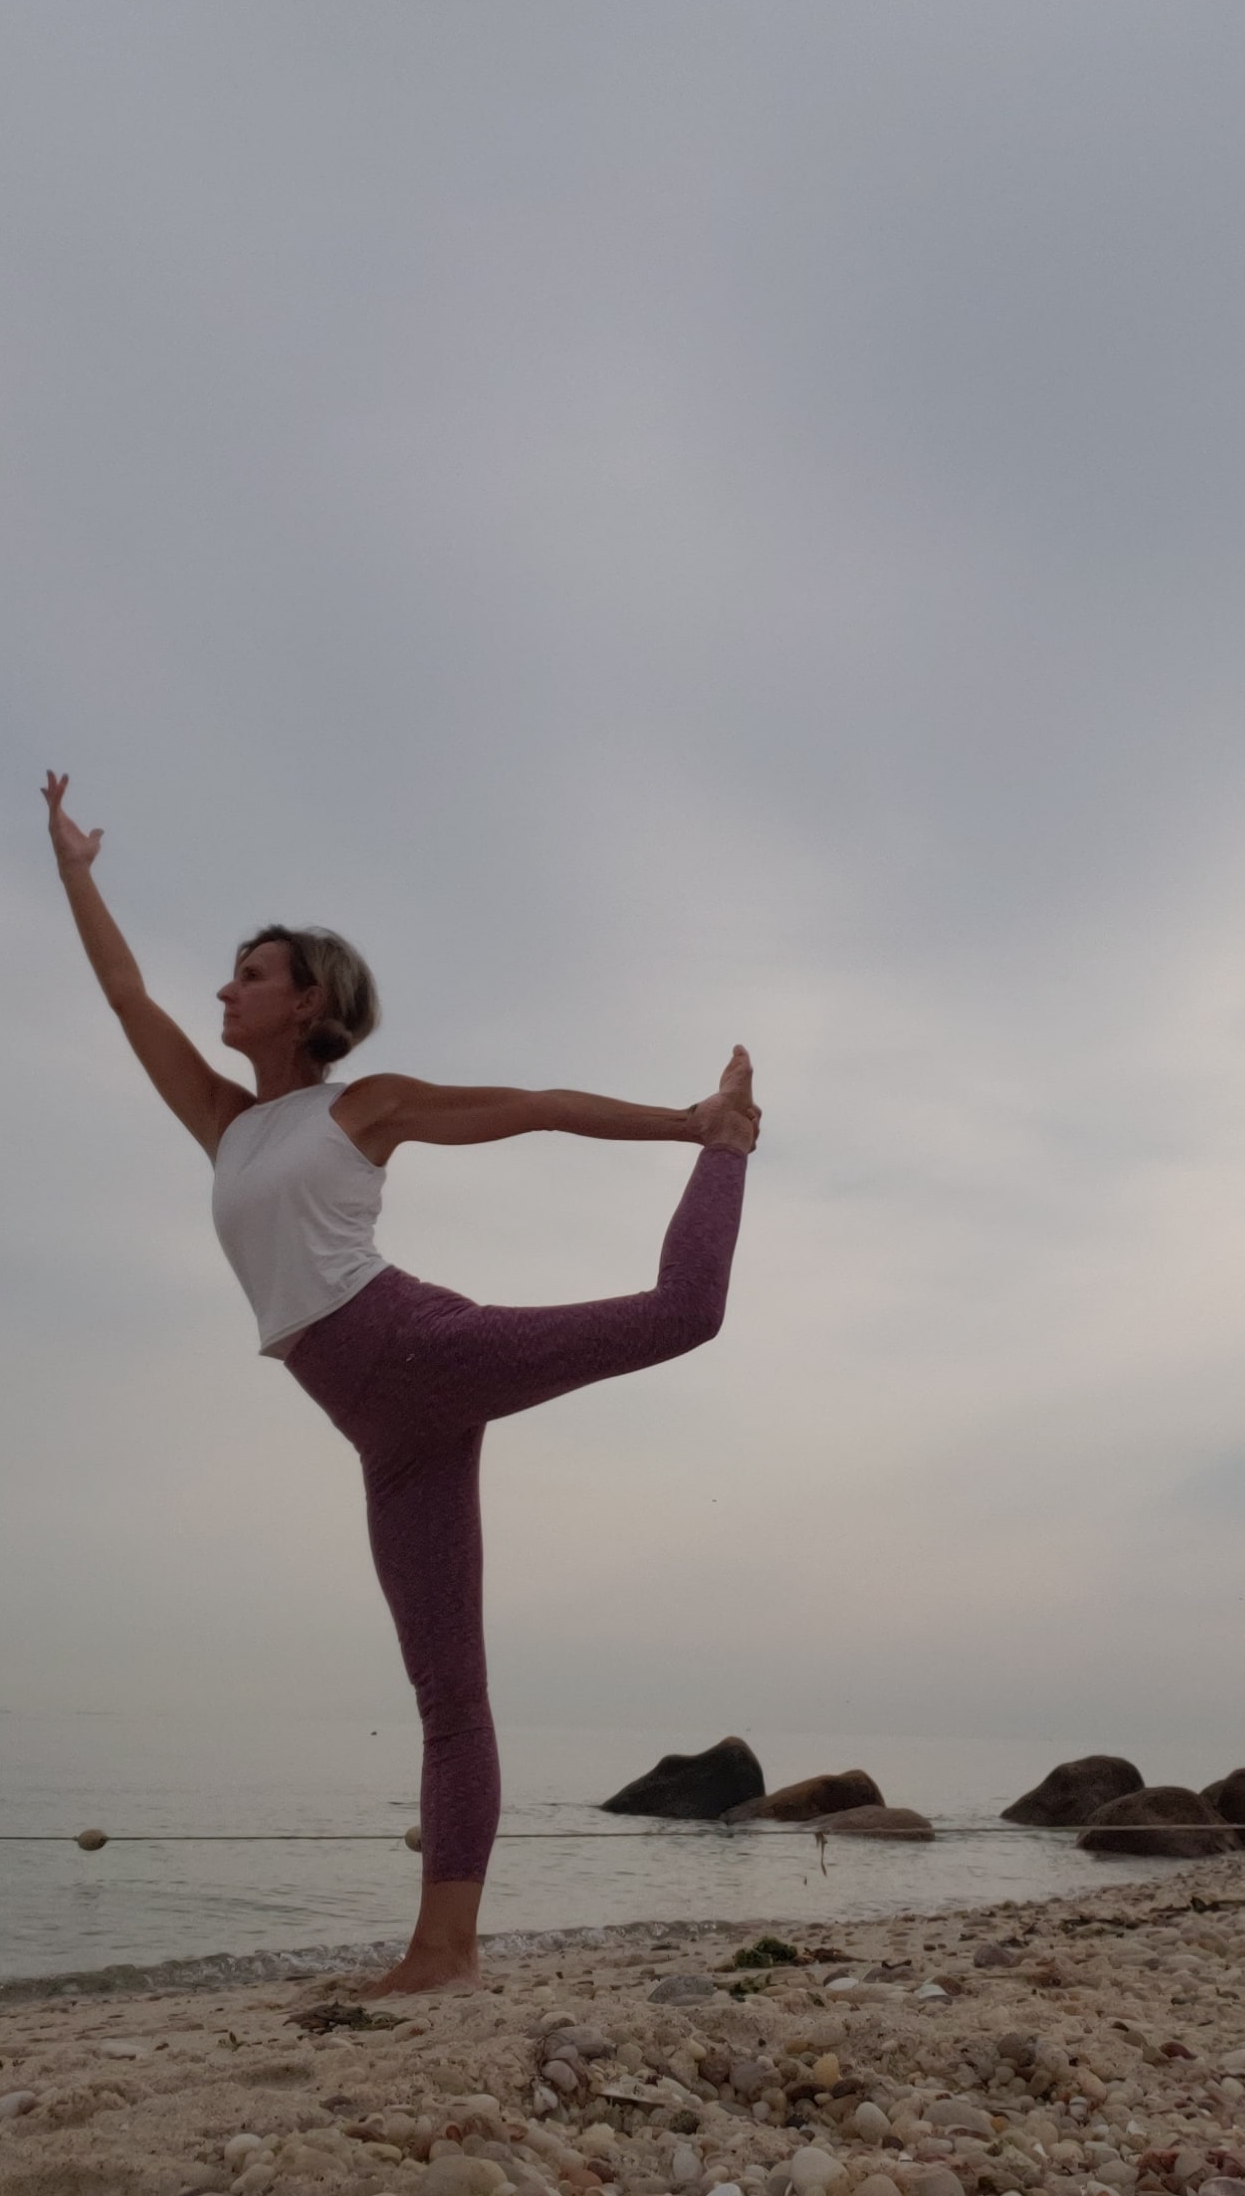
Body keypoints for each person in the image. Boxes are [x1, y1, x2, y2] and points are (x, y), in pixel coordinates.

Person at [42, 774, 758, 1994]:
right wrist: (76, 871)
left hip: (413, 1345)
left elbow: (527, 1107)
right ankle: (445, 1954)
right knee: (445, 1689)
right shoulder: (224, 1123)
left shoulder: (362, 1108)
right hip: (378, 1425)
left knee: (683, 1316)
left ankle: (734, 1150)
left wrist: (688, 1121)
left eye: (250, 974)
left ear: (307, 1001)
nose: (224, 989)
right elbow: (125, 996)